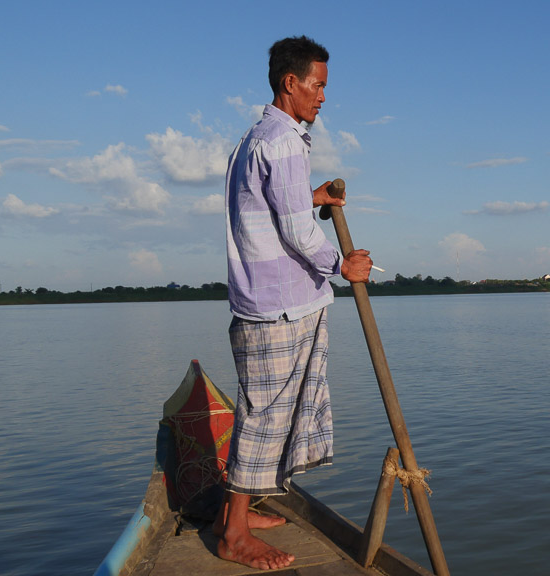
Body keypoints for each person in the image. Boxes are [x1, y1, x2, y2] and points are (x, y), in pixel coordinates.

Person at [214, 36, 372, 570]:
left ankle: (232, 514)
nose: (323, 96)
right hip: (277, 307)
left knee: (262, 415)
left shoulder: (256, 137)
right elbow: (297, 234)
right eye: (318, 85)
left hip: (262, 303)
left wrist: (314, 196)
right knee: (265, 418)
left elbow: (272, 203)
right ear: (291, 82)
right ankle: (233, 535)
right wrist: (341, 267)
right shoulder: (281, 142)